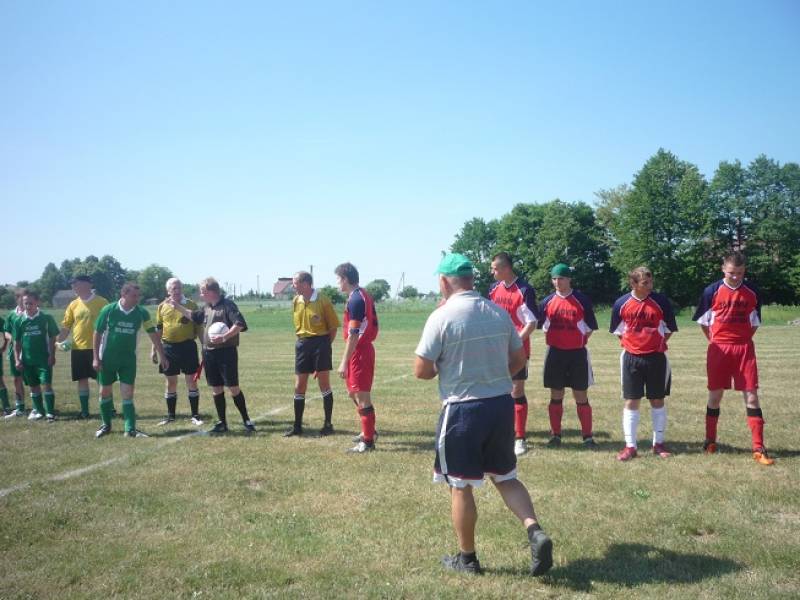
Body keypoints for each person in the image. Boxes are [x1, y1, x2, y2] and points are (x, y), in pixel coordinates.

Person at [414, 253, 553, 576]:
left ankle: (467, 559)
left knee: (460, 485)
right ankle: (534, 530)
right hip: (500, 405)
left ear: (444, 281)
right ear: (471, 279)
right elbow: (518, 360)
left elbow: (421, 370)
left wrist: (447, 368)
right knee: (506, 476)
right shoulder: (497, 312)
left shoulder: (442, 316)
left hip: (462, 410)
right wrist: (493, 375)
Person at [692, 251, 774, 466]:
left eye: (739, 273)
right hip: (719, 349)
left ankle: (758, 447)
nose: (736, 276)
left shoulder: (752, 292)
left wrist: (742, 339)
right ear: (723, 269)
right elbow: (704, 322)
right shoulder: (711, 291)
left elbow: (754, 322)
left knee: (752, 396)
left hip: (744, 349)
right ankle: (710, 441)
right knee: (715, 396)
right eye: (731, 273)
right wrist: (715, 340)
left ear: (744, 271)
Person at [168, 277, 255, 434]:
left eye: (202, 291)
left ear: (210, 291)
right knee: (216, 388)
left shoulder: (227, 305)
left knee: (233, 387)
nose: (200, 294)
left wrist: (224, 337)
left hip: (226, 353)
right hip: (209, 353)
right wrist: (177, 306)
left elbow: (239, 324)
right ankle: (222, 423)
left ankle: (246, 421)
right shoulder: (207, 308)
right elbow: (194, 316)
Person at [610, 267, 678, 461]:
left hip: (656, 357)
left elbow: (669, 328)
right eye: (645, 283)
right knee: (631, 400)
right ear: (633, 284)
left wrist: (656, 343)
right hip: (631, 358)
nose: (650, 286)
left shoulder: (661, 302)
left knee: (657, 399)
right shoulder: (621, 303)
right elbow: (619, 331)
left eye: (651, 282)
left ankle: (659, 444)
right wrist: (633, 345)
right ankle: (630, 446)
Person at [93, 282, 168, 438]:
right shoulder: (108, 310)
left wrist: (162, 355)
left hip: (128, 360)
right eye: (134, 296)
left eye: (138, 296)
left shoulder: (142, 313)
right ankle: (106, 425)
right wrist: (96, 358)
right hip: (107, 358)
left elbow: (153, 334)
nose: (137, 299)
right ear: (124, 294)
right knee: (104, 392)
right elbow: (97, 333)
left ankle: (130, 429)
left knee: (127, 393)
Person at [539, 263, 599, 449]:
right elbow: (543, 327)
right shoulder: (546, 302)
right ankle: (555, 435)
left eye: (561, 278)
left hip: (577, 354)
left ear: (569, 279)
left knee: (580, 394)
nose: (557, 282)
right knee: (556, 394)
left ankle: (587, 436)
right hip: (555, 353)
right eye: (554, 279)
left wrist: (576, 340)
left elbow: (590, 328)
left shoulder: (581, 300)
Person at [488, 252, 539, 456]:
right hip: (496, 348)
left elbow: (531, 322)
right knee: (496, 391)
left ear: (506, 268)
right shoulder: (493, 289)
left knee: (516, 391)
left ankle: (520, 438)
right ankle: (501, 433)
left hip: (517, 350)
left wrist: (514, 343)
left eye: (495, 268)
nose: (492, 272)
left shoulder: (524, 290)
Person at [284, 271, 340, 437]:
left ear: (306, 283)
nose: (293, 286)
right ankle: (297, 426)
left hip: (321, 343)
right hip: (302, 344)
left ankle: (328, 424)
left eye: (295, 283)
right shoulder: (296, 300)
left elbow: (333, 328)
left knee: (324, 385)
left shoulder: (323, 300)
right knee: (299, 386)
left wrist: (324, 348)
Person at [335, 262, 379, 453]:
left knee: (362, 396)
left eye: (338, 279)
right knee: (353, 393)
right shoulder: (361, 294)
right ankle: (369, 431)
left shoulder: (356, 300)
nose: (337, 283)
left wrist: (344, 362)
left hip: (359, 351)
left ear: (345, 279)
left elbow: (354, 334)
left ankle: (368, 441)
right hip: (359, 350)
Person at [55, 275, 109, 418]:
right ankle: (85, 411)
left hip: (97, 347)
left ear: (87, 284)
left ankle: (108, 409)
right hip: (78, 348)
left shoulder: (102, 302)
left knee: (102, 380)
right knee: (82, 379)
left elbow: (109, 324)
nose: (73, 287)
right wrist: (57, 342)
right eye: (72, 284)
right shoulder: (73, 304)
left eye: (76, 283)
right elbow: (66, 327)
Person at [152, 278, 203, 426]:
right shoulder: (162, 307)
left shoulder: (191, 305)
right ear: (168, 290)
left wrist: (204, 345)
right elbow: (158, 329)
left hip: (188, 347)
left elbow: (199, 327)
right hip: (168, 348)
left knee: (191, 380)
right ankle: (171, 416)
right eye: (174, 288)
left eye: (179, 287)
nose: (177, 290)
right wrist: (154, 349)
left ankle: (195, 415)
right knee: (170, 382)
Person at [13, 291, 59, 422]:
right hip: (27, 360)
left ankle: (50, 413)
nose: (28, 306)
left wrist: (52, 355)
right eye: (25, 303)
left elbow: (52, 338)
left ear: (37, 302)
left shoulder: (46, 318)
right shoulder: (19, 320)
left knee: (47, 384)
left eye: (30, 303)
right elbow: (17, 342)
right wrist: (17, 359)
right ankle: (39, 412)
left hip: (44, 359)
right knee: (33, 386)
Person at [3, 289, 28, 418]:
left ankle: (39, 408)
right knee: (16, 379)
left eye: (25, 297)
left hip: (30, 350)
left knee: (33, 379)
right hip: (15, 351)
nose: (23, 300)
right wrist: (12, 338)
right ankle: (20, 407)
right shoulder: (11, 315)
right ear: (17, 299)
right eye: (21, 297)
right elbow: (6, 331)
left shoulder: (32, 313)